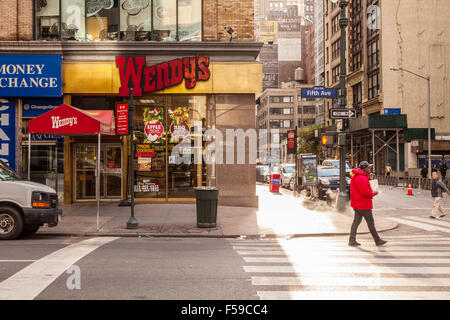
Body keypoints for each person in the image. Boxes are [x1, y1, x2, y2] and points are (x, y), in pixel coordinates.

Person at [349, 161, 387, 246]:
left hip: (357, 204)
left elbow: (361, 188)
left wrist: (369, 179)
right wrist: (374, 193)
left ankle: (352, 240)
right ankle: (377, 240)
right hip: (363, 204)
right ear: (365, 168)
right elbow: (365, 192)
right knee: (370, 223)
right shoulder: (362, 178)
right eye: (369, 167)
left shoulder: (357, 176)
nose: (370, 169)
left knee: (356, 222)